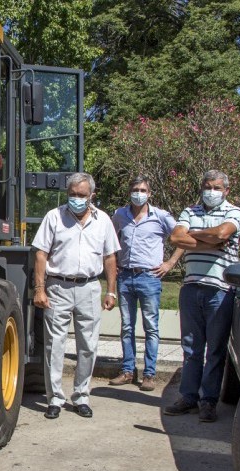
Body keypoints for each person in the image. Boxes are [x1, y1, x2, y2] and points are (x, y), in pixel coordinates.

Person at [32, 172, 120, 419]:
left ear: (92, 195)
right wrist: (39, 289)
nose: (77, 199)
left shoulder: (103, 220)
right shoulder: (54, 217)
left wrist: (111, 290)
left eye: (82, 195)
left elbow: (110, 256)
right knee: (54, 345)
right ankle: (55, 399)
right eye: (72, 194)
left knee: (88, 345)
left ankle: (81, 396)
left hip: (89, 287)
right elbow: (40, 254)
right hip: (58, 286)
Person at [165, 169, 240, 422]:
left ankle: (208, 401)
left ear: (226, 190)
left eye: (217, 188)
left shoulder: (234, 212)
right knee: (191, 347)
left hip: (220, 290)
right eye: (208, 186)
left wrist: (195, 236)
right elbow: (175, 236)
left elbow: (223, 234)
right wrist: (208, 241)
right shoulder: (190, 211)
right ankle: (188, 396)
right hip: (191, 287)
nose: (212, 191)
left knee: (216, 350)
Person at [109, 176, 184, 391]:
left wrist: (170, 263)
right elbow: (111, 239)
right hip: (125, 276)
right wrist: (112, 263)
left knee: (151, 327)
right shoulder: (120, 215)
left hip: (149, 277)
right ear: (129, 192)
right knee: (126, 326)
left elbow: (181, 238)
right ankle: (127, 371)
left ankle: (149, 374)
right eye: (135, 189)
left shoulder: (160, 216)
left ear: (149, 194)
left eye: (143, 190)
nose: (139, 193)